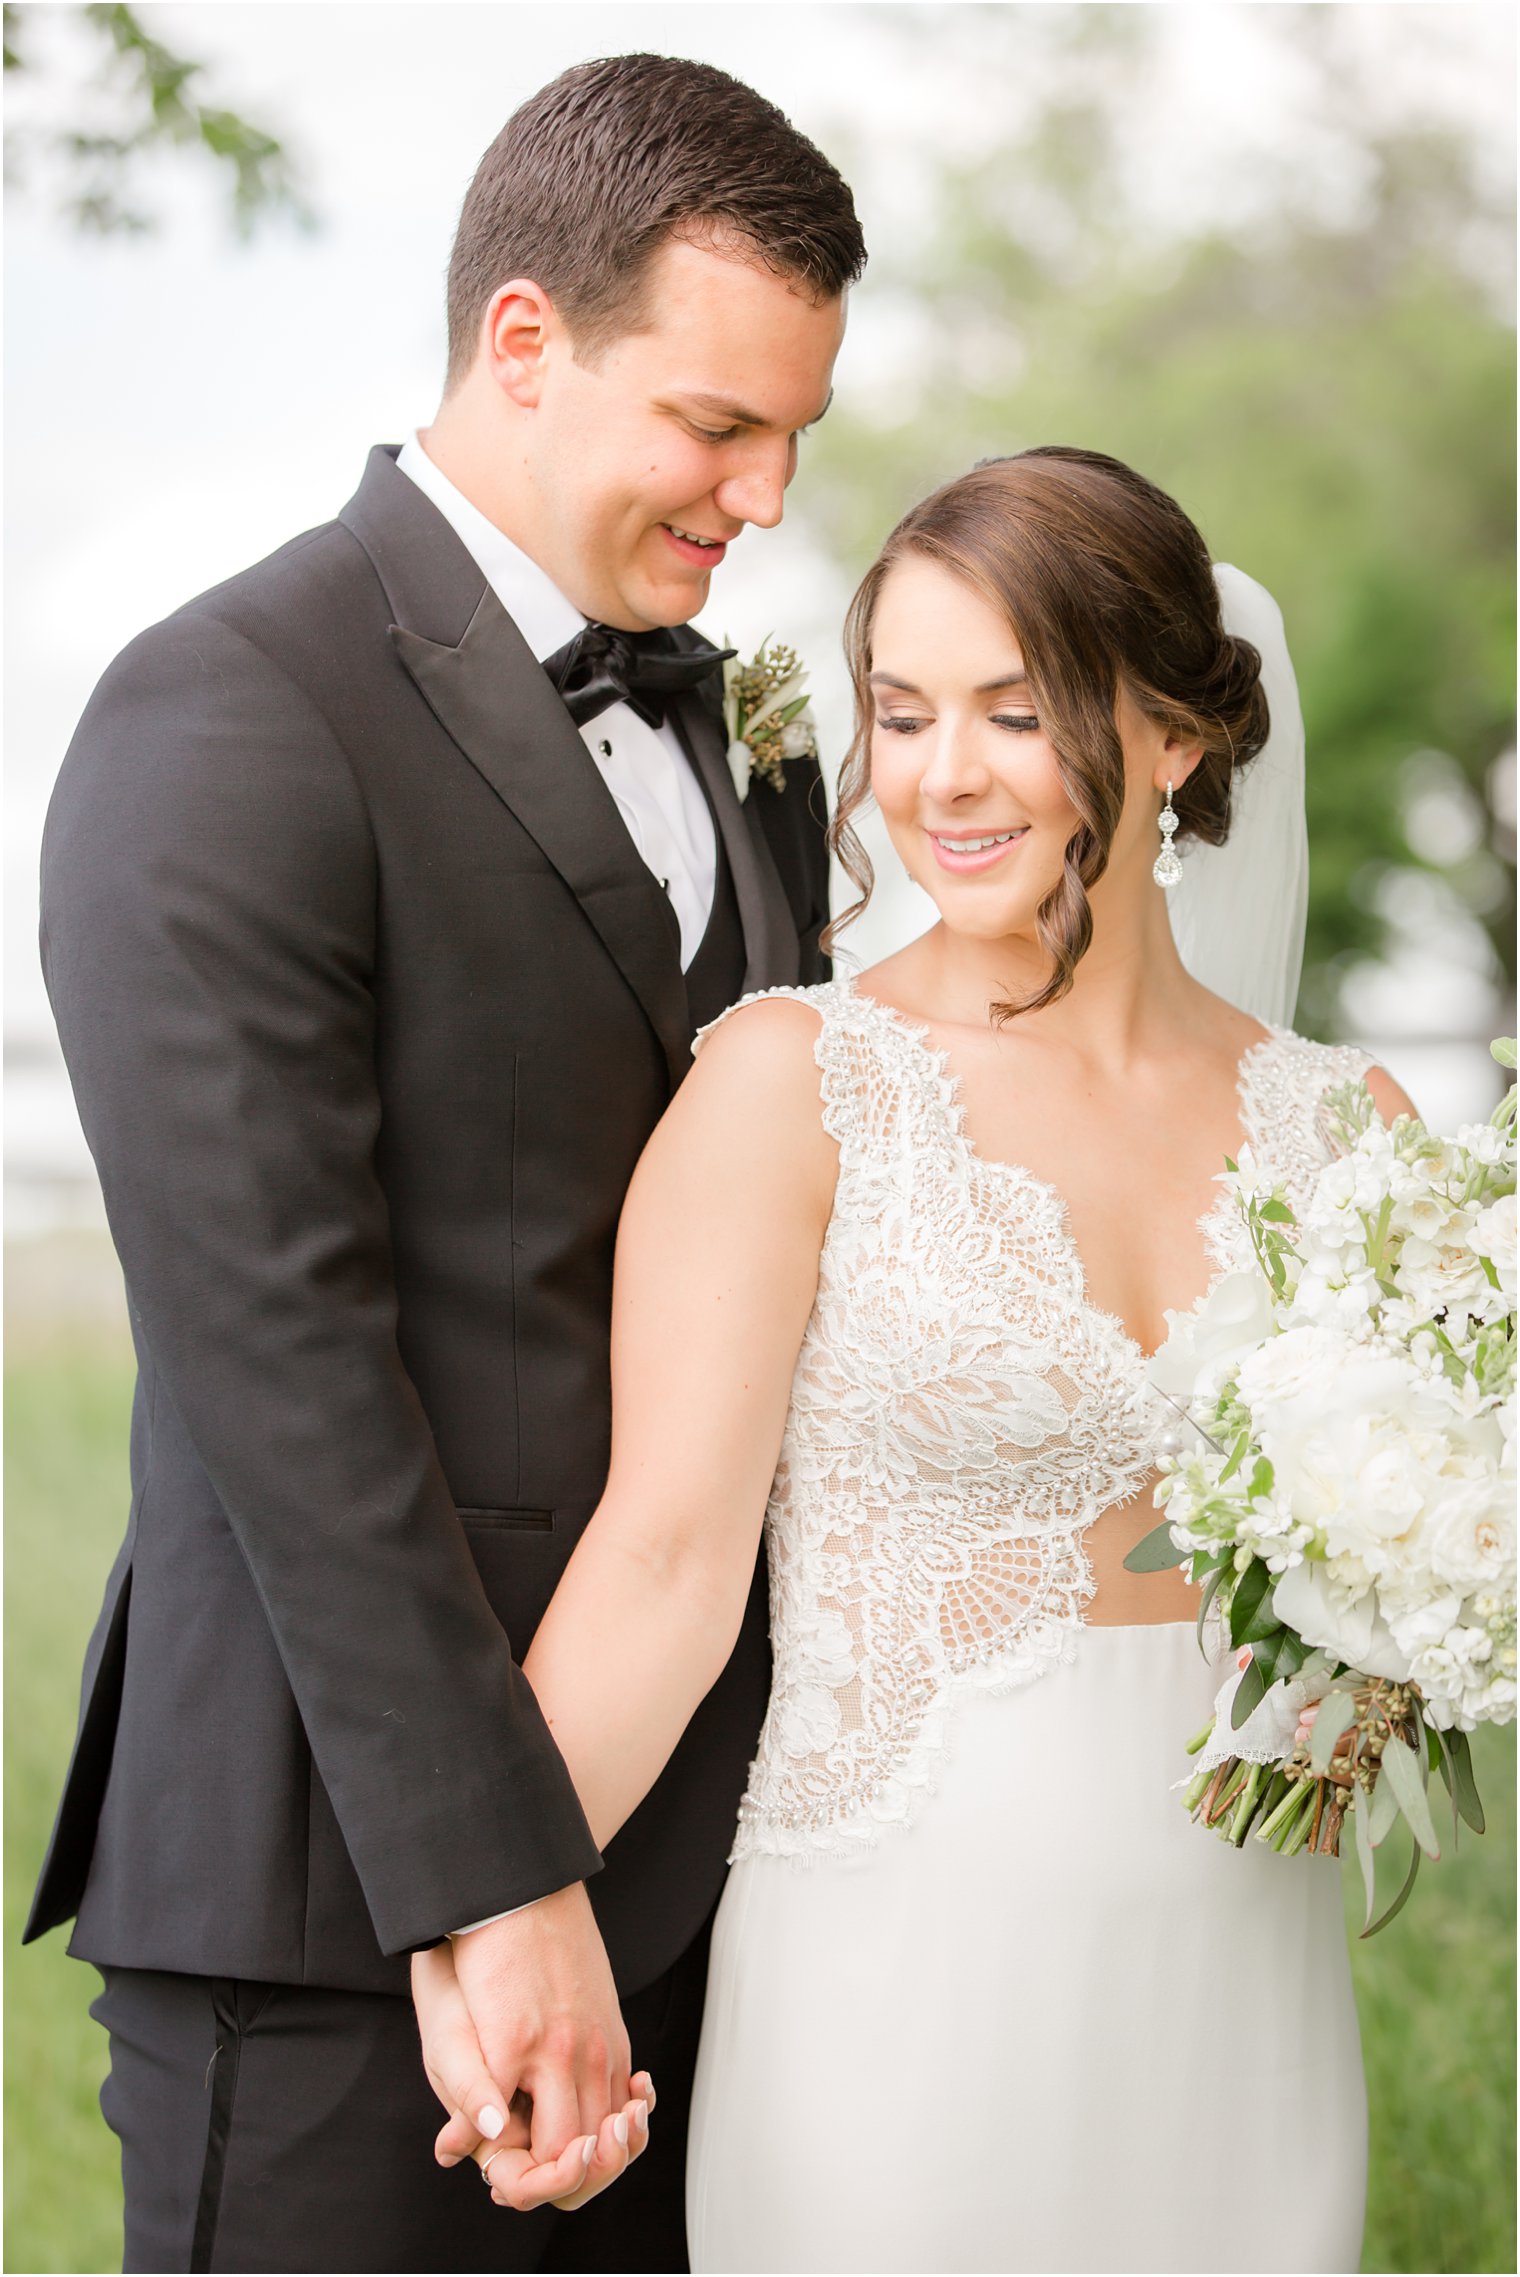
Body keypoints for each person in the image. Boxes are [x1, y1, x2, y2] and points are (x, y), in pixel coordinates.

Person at [27, 53, 862, 2275]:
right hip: (336, 1891)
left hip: (724, 1878)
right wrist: (499, 1882)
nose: (765, 493)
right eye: (715, 423)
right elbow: (283, 1372)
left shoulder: (739, 734)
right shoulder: (226, 709)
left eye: (797, 435)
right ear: (521, 337)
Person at [412, 447, 1416, 2273]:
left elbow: (1411, 1561)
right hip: (892, 1990)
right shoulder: (795, 1084)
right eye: (901, 710)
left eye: (1017, 713)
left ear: (1178, 737)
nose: (941, 777)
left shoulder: (1352, 1130)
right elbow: (661, 1563)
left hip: (1241, 1989)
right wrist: (490, 1916)